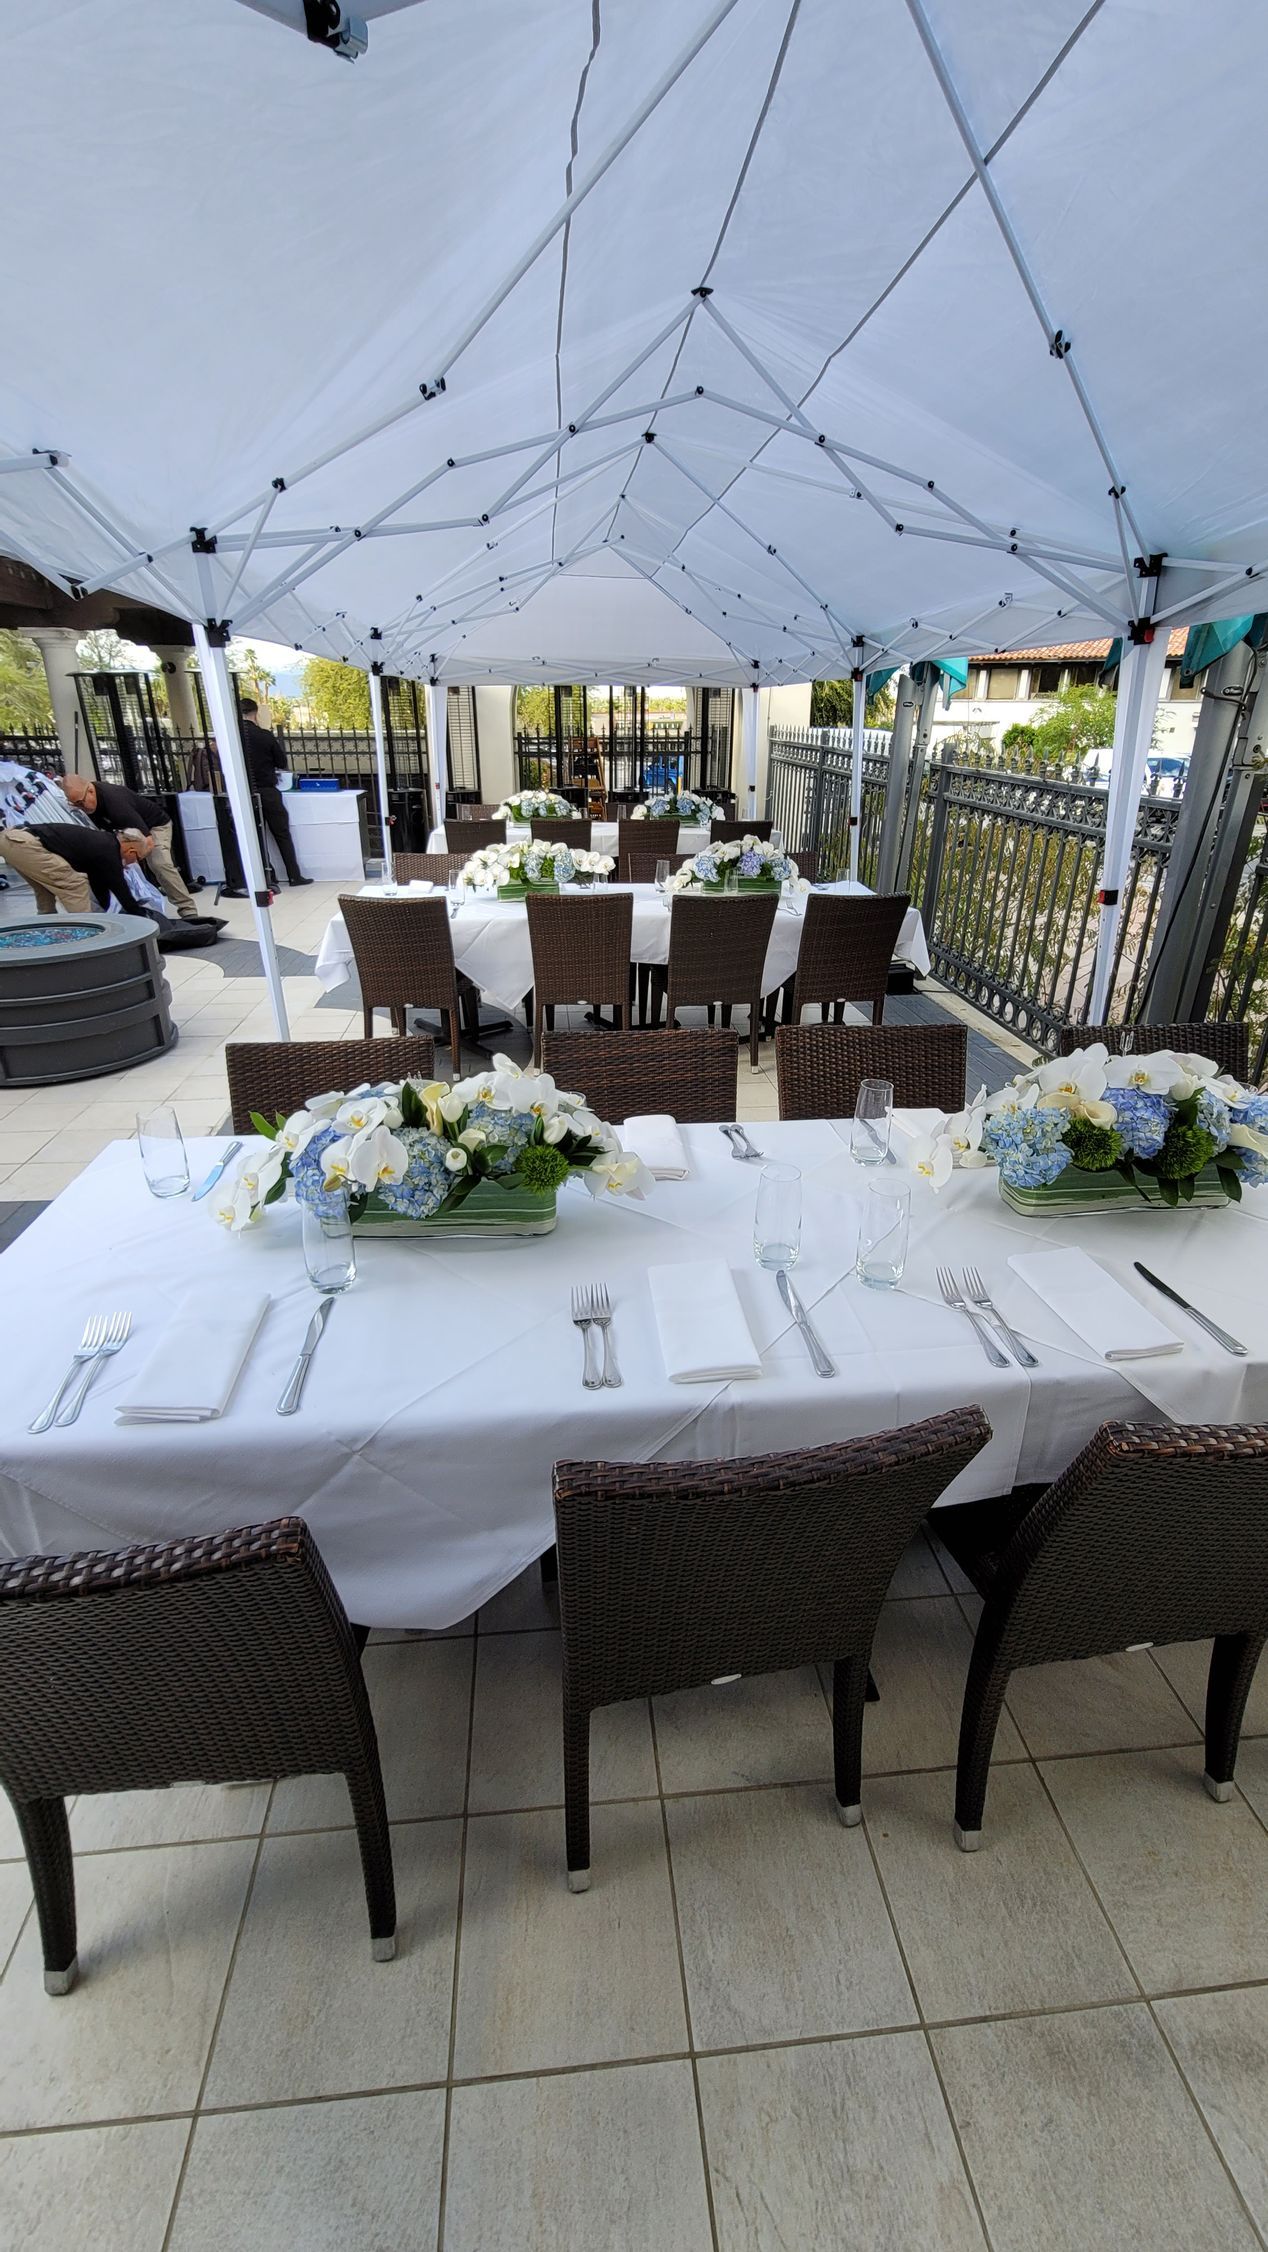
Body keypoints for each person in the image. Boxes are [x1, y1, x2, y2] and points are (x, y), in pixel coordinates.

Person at [61, 773, 226, 929]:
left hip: (153, 827)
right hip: (124, 832)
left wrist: (131, 859)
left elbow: (145, 841)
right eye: (75, 804)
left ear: (90, 790)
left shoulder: (116, 803)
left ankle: (187, 910)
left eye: (81, 803)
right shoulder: (88, 805)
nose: (80, 807)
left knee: (159, 863)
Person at [0, 761, 149, 919]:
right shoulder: (109, 849)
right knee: (74, 885)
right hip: (23, 844)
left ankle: (45, 930)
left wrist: (106, 912)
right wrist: (141, 917)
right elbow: (120, 887)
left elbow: (99, 883)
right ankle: (88, 934)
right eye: (137, 858)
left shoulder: (102, 844)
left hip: (13, 841)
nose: (134, 862)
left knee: (45, 893)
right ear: (130, 850)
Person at [240, 699, 311, 885]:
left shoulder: (235, 738)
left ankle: (265, 875)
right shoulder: (264, 736)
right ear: (255, 713)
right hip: (267, 789)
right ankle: (294, 875)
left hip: (244, 792)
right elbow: (281, 762)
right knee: (282, 834)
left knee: (254, 835)